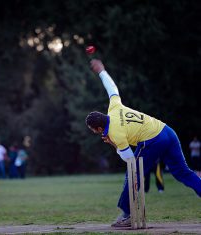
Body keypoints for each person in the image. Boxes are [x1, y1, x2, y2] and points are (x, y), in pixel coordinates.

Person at [85, 59, 201, 227]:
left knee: (132, 174)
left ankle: (127, 214)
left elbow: (130, 160)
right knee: (183, 172)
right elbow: (112, 88)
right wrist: (101, 70)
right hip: (167, 131)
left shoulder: (115, 133)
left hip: (153, 140)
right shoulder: (114, 108)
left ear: (97, 128)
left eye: (92, 130)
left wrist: (113, 144)